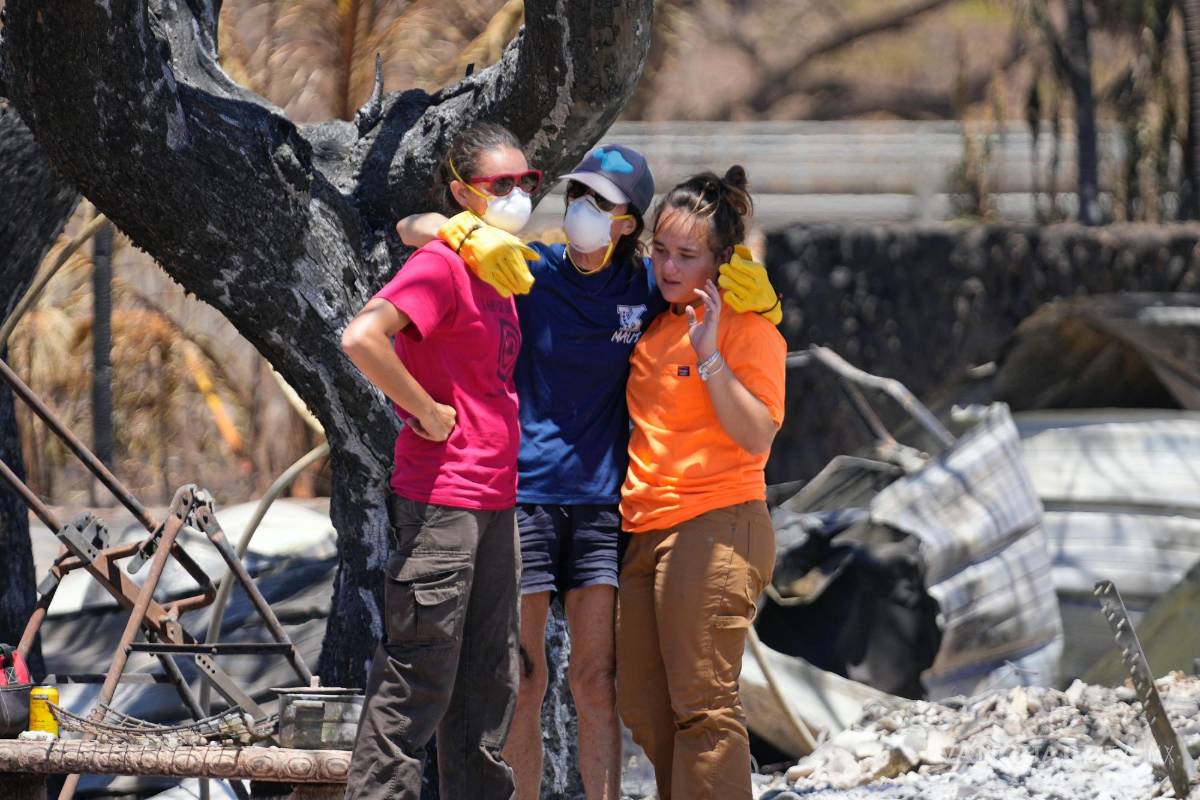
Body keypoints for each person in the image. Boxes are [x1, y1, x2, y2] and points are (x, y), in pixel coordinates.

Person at [397, 146, 780, 800]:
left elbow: (711, 286)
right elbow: (410, 227)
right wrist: (460, 232)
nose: (584, 209)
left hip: (606, 508)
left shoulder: (649, 288)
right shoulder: (529, 268)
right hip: (528, 497)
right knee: (524, 679)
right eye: (578, 194)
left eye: (602, 202)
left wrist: (762, 304)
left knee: (600, 683)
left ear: (628, 222)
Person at [340, 122, 537, 800]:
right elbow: (362, 338)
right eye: (501, 183)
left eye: (527, 181)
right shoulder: (444, 265)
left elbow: (412, 225)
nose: (518, 194)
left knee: (488, 685)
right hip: (443, 501)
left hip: (495, 501)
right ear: (462, 192)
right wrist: (423, 410)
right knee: (417, 684)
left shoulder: (497, 266)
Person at [616, 166, 787, 800]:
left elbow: (758, 436)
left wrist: (711, 353)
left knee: (703, 707)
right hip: (645, 527)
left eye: (687, 255)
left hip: (717, 521)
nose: (668, 266)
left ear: (721, 260)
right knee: (644, 705)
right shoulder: (656, 324)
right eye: (659, 249)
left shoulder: (749, 326)